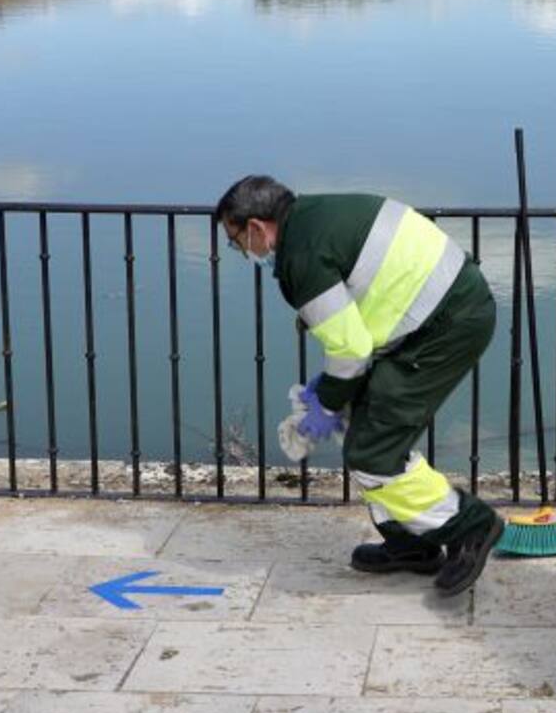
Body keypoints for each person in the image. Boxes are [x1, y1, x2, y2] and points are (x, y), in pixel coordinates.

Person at [216, 175, 503, 596]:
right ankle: (411, 546)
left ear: (257, 227)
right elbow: (360, 307)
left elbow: (350, 351)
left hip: (445, 326)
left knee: (373, 450)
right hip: (437, 314)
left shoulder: (301, 256)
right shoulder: (316, 217)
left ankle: (470, 524)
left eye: (236, 239)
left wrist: (326, 405)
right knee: (367, 436)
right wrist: (334, 395)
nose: (241, 251)